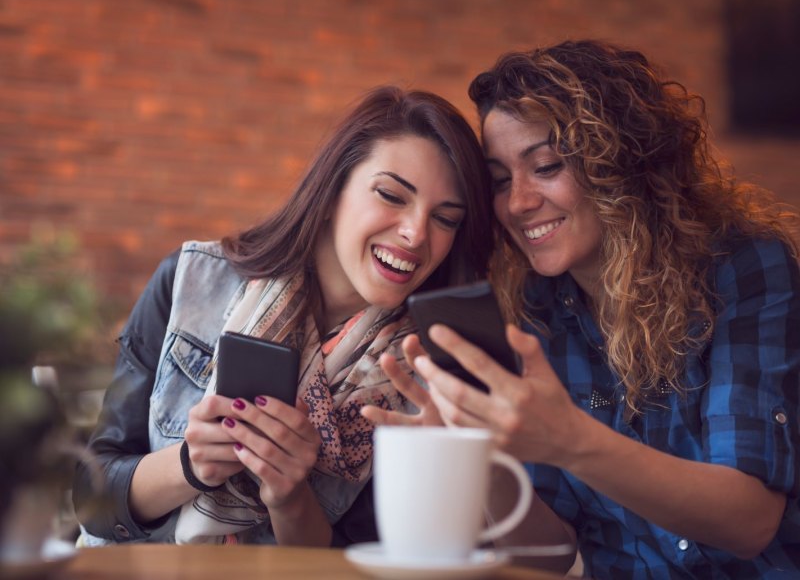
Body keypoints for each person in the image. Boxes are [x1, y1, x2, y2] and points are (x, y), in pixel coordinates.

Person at [363, 40, 800, 577]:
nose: (518, 202)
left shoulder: (742, 267)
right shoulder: (534, 308)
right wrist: (478, 459)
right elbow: (546, 556)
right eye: (501, 180)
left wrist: (572, 441)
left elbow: (748, 521)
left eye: (546, 165)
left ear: (623, 162)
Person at [72, 86, 494, 547]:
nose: (415, 234)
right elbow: (90, 496)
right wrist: (191, 464)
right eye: (392, 195)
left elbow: (367, 561)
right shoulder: (192, 280)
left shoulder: (423, 372)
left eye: (446, 219)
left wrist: (290, 494)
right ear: (333, 191)